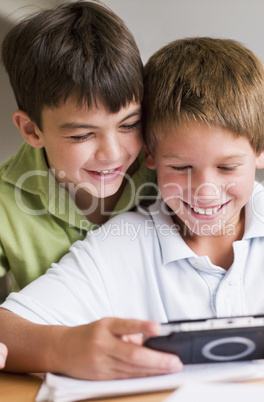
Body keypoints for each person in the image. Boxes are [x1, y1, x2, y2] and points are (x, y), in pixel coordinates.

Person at [0, 37, 264, 380]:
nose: (205, 192)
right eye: (182, 168)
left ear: (263, 148)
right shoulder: (119, 246)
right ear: (150, 156)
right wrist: (64, 346)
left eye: (227, 168)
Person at [0, 0, 157, 295]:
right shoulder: (5, 203)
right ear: (32, 130)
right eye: (82, 135)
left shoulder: (172, 172)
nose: (112, 153)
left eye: (128, 125)